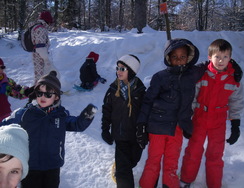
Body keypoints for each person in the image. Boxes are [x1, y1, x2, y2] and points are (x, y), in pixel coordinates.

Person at [1, 71, 97, 188]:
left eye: (48, 94)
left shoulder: (61, 115)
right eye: (39, 93)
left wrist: (86, 116)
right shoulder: (25, 113)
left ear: (56, 96)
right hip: (31, 165)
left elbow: (76, 124)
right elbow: (4, 126)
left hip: (53, 165)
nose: (42, 97)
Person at [136, 38, 207, 188]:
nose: (179, 61)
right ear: (168, 58)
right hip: (157, 127)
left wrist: (231, 65)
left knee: (171, 163)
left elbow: (208, 66)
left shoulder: (192, 74)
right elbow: (148, 101)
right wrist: (141, 125)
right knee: (153, 161)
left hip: (177, 128)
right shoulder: (160, 77)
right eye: (174, 57)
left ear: (189, 57)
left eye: (182, 57)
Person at [180, 39, 244, 188]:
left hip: (218, 121)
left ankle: (214, 184)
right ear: (209, 57)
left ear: (231, 58)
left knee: (215, 154)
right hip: (200, 118)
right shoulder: (201, 75)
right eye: (217, 57)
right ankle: (186, 180)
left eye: (225, 57)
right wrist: (187, 120)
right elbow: (192, 97)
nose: (221, 61)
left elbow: (236, 102)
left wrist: (236, 125)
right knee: (193, 151)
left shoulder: (234, 79)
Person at [101, 54, 146, 188]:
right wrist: (105, 129)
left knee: (133, 160)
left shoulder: (140, 91)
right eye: (118, 68)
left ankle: (122, 166)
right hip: (120, 135)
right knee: (123, 169)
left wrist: (144, 132)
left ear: (131, 71)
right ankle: (121, 172)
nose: (118, 71)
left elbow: (145, 113)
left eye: (122, 69)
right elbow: (107, 110)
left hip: (135, 135)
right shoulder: (113, 89)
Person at [31, 10, 57, 83]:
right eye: (50, 21)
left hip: (37, 54)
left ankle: (39, 89)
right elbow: (40, 47)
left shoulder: (36, 26)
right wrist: (46, 59)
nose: (50, 24)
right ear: (47, 20)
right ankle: (39, 91)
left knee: (39, 74)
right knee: (41, 75)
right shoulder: (40, 28)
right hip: (40, 55)